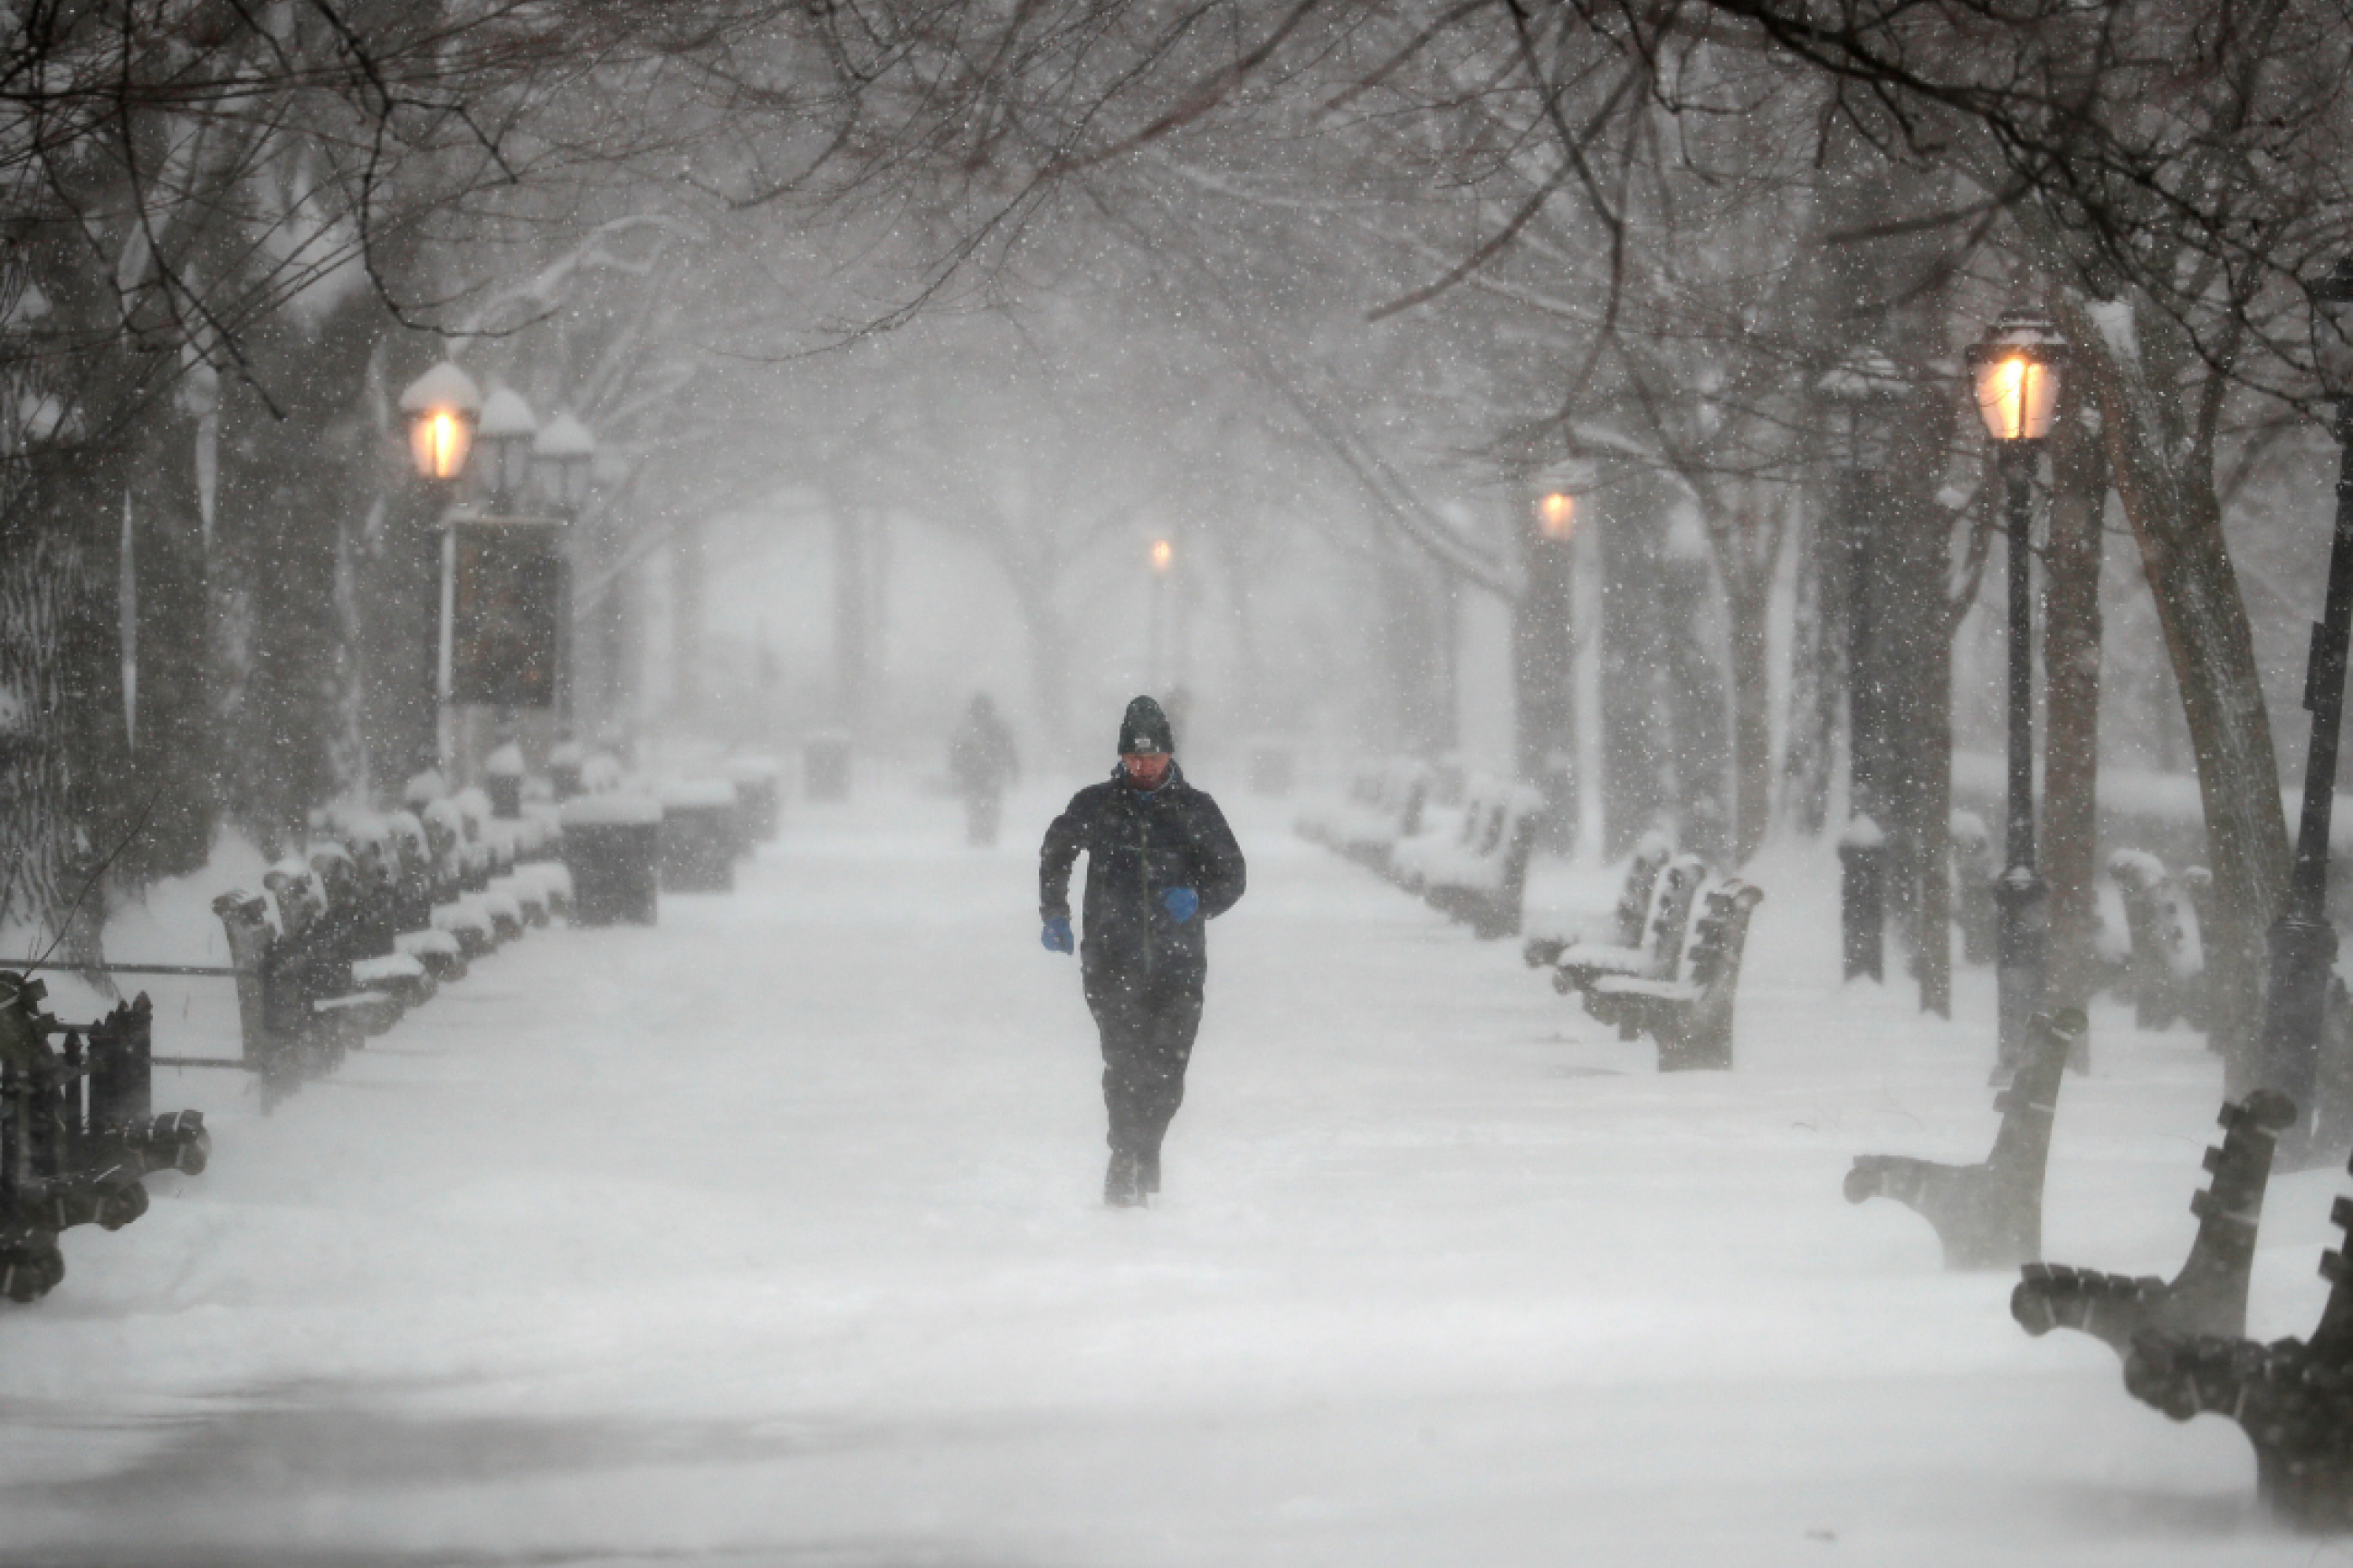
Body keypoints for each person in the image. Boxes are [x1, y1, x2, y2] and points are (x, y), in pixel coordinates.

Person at [1039, 695, 1246, 1207]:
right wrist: (1055, 913)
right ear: (1121, 757)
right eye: (1134, 757)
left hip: (1179, 966)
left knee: (1167, 1072)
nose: (1143, 766)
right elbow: (1056, 852)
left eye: (1153, 757)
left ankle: (1145, 1144)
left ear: (1171, 756)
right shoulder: (1096, 805)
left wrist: (1199, 898)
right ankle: (1124, 1157)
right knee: (1124, 1063)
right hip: (1111, 960)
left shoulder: (1197, 811)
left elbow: (1233, 875)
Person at [948, 693, 1020, 846]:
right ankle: (985, 834)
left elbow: (956, 752)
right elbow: (1010, 751)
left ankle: (979, 834)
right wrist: (1014, 770)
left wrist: (956, 771)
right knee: (985, 805)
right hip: (987, 773)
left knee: (976, 805)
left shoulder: (967, 729)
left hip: (976, 774)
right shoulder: (997, 729)